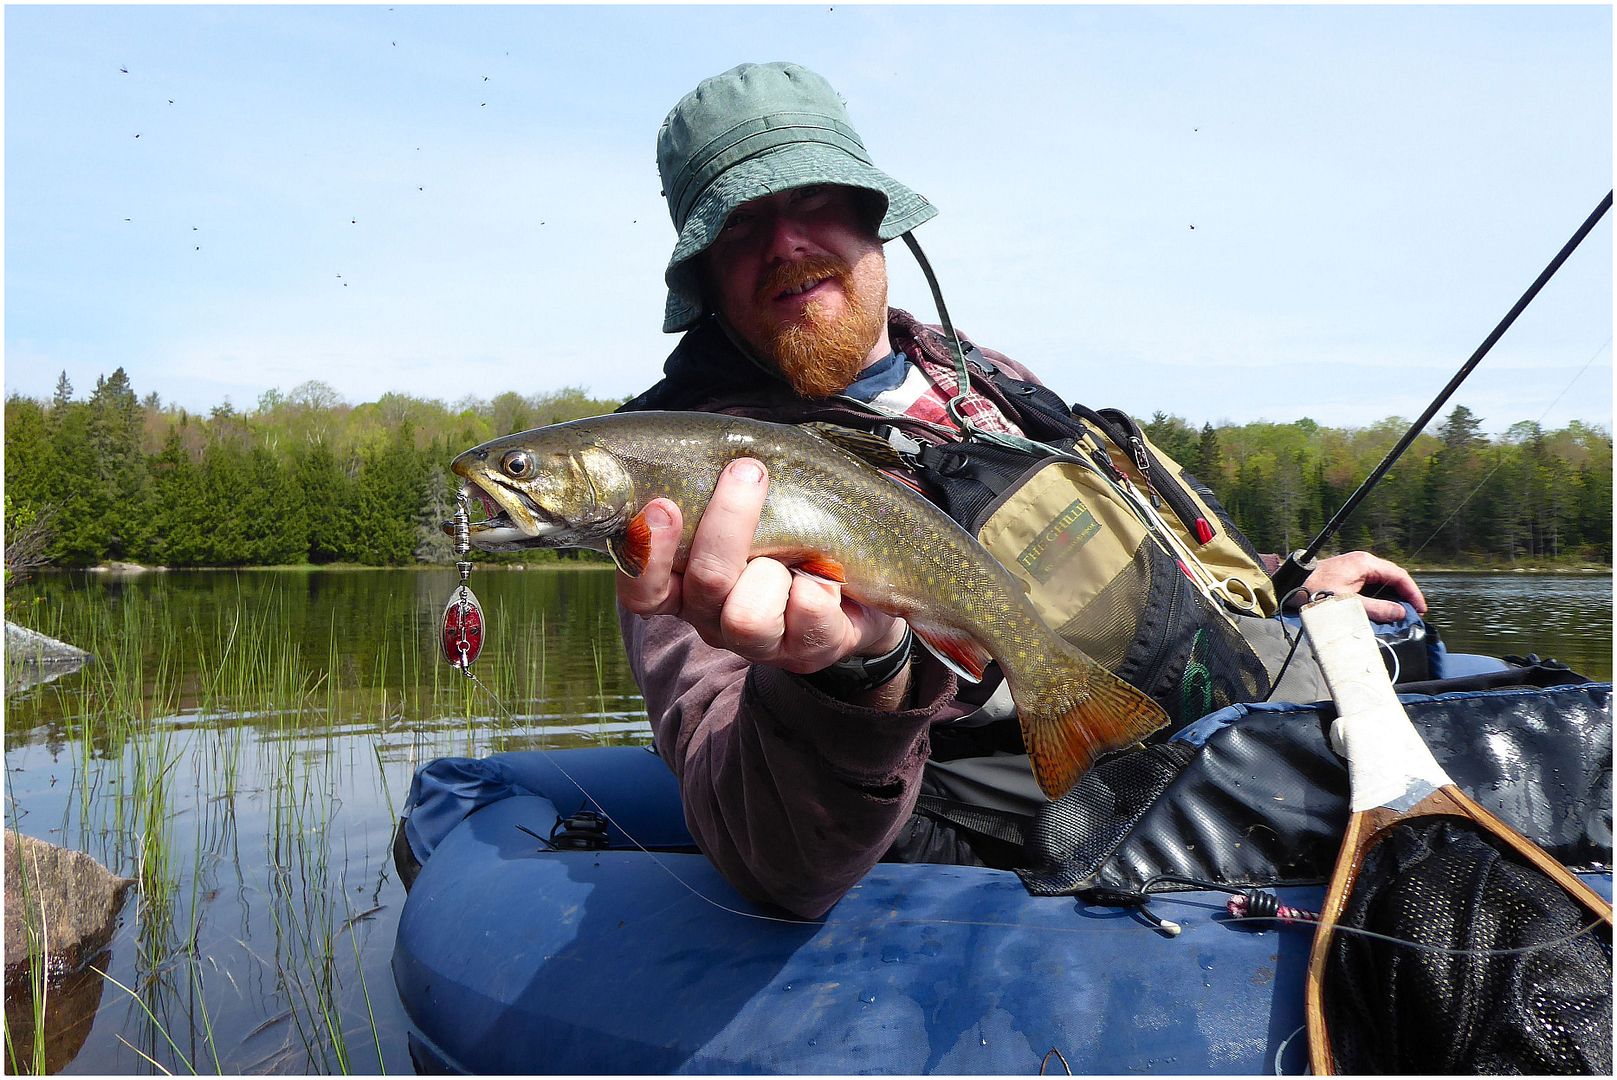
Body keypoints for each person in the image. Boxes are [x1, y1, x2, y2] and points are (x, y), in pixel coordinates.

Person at [615, 62, 1428, 919]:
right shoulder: (685, 482)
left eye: (811, 198)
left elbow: (1112, 541)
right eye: (739, 223)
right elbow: (766, 854)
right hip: (1069, 830)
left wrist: (1281, 586)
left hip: (1213, 743)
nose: (784, 243)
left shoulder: (977, 370)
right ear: (705, 274)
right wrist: (851, 676)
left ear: (872, 217)